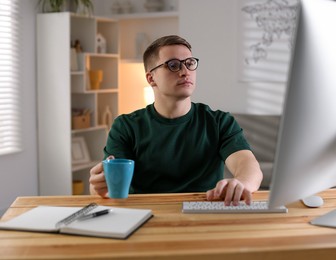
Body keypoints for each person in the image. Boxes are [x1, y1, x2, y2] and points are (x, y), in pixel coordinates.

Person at [89, 35, 263, 205]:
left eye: (190, 63)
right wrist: (99, 187)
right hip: (144, 215)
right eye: (173, 65)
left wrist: (242, 183)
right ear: (151, 78)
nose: (185, 71)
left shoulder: (219, 122)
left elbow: (246, 164)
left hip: (204, 212)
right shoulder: (126, 126)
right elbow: (109, 185)